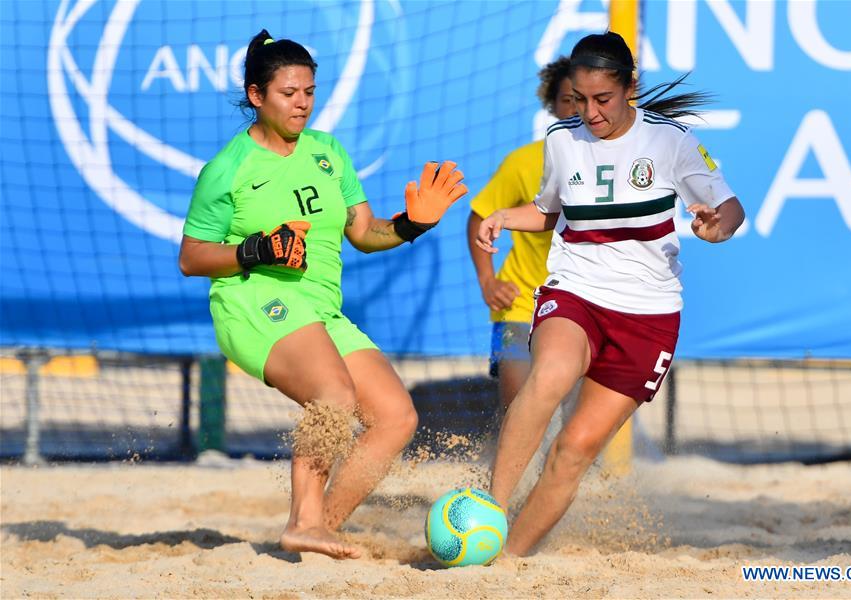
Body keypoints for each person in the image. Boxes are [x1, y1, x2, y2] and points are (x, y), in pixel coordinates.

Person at [179, 30, 467, 560]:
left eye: (309, 91)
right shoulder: (229, 167)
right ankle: (304, 522)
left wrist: (411, 225)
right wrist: (257, 249)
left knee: (395, 417)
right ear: (256, 95)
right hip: (252, 302)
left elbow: (364, 234)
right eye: (289, 93)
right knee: (332, 394)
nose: (302, 103)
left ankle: (317, 531)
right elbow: (192, 257)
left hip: (319, 309)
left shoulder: (328, 150)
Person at [476, 32, 745, 556]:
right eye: (580, 99)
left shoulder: (672, 142)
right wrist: (506, 217)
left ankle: (506, 559)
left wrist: (718, 228)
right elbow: (552, 210)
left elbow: (730, 208)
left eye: (603, 99)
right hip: (577, 289)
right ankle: (488, 510)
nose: (591, 113)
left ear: (630, 88)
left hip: (648, 314)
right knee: (549, 375)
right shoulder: (562, 139)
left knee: (575, 448)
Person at [466, 57, 576, 412]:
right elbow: (480, 216)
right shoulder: (524, 162)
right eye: (568, 99)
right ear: (552, 104)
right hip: (522, 303)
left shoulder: (617, 162)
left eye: (588, 98)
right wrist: (487, 281)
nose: (578, 108)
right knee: (519, 410)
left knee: (578, 424)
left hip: (586, 306)